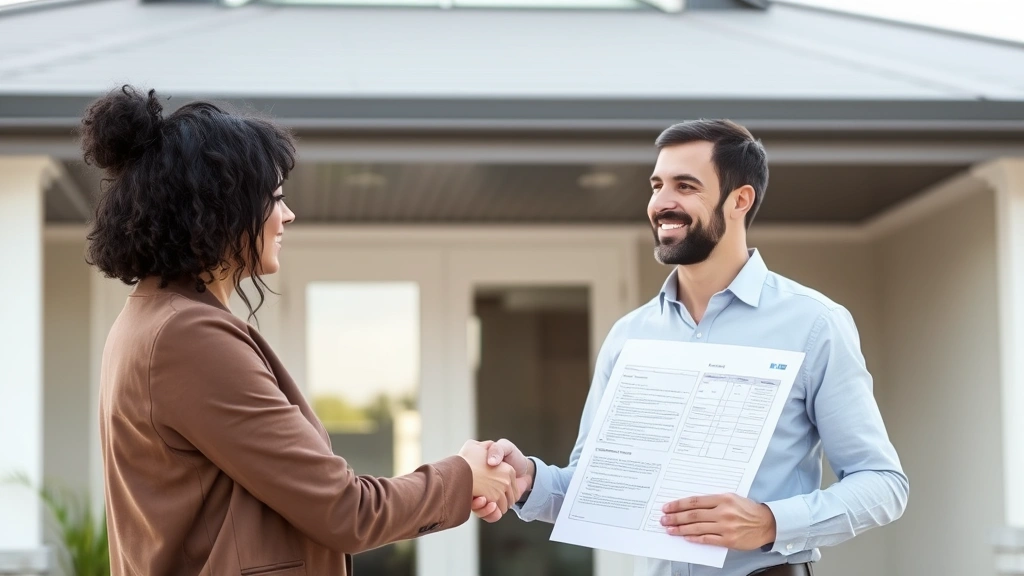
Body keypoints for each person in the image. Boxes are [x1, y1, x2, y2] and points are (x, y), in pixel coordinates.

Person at [85, 85, 519, 576]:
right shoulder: (187, 337)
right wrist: (463, 476)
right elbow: (346, 511)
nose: (287, 215)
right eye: (274, 199)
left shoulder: (152, 319)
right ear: (219, 210)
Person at [474, 119, 909, 576]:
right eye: (657, 185)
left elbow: (882, 485)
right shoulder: (629, 336)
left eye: (685, 186)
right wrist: (529, 481)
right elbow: (594, 490)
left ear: (740, 199)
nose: (662, 203)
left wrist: (769, 523)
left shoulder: (814, 324)